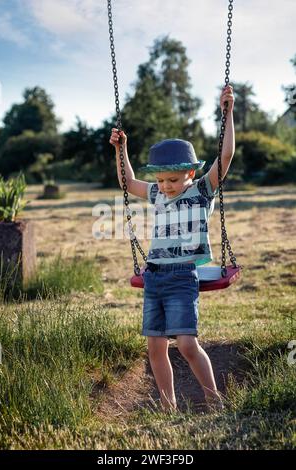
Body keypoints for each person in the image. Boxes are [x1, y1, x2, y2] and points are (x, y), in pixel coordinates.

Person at [110, 85, 235, 412]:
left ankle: (214, 399)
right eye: (162, 181)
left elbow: (225, 157)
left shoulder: (201, 192)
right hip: (154, 277)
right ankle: (168, 406)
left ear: (190, 174)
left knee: (186, 343)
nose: (166, 186)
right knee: (155, 347)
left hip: (182, 277)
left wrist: (228, 114)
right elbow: (128, 182)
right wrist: (121, 149)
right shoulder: (156, 194)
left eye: (173, 181)